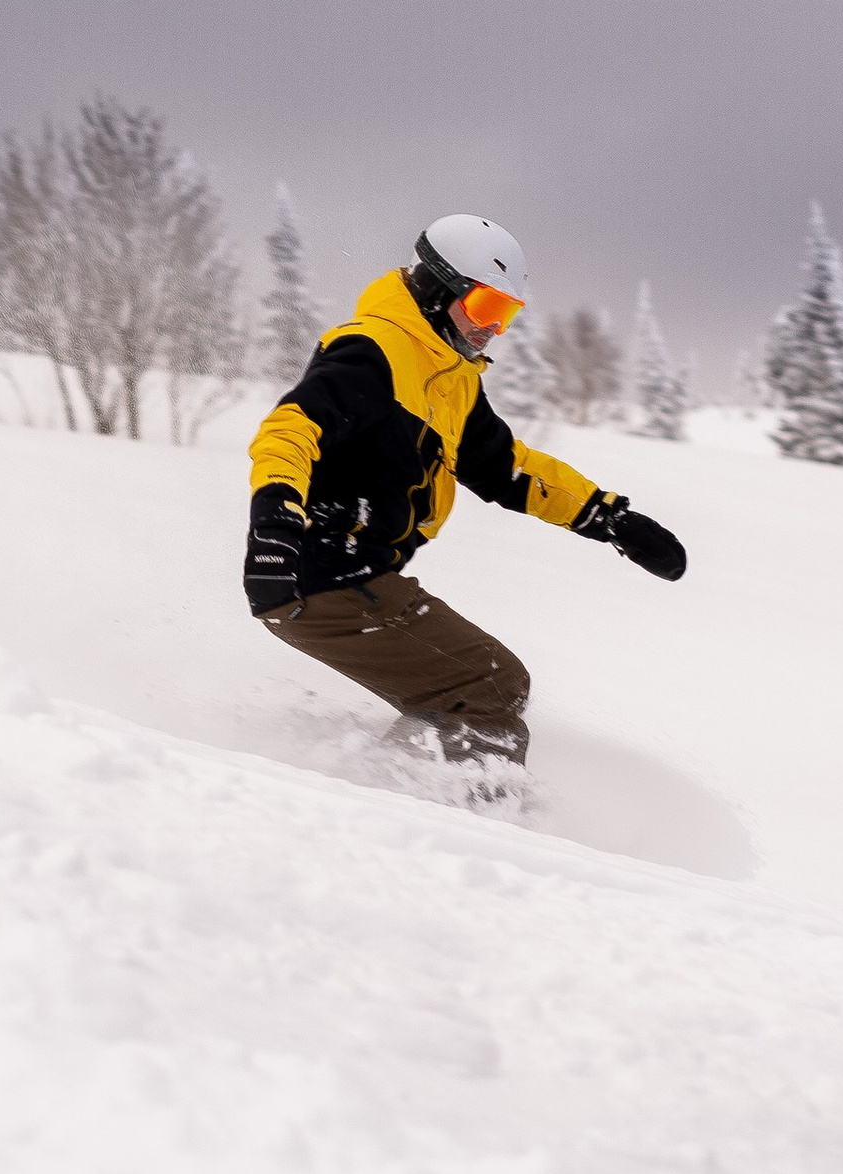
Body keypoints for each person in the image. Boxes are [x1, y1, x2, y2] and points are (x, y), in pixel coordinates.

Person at [243, 214, 685, 770]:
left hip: (356, 576)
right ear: (437, 289)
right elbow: (290, 428)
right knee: (489, 682)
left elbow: (509, 469)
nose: (493, 329)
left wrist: (610, 518)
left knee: (483, 684)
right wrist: (275, 524)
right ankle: (447, 803)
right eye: (485, 308)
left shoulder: (450, 380)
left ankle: (395, 783)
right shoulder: (374, 351)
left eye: (507, 314)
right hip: (316, 573)